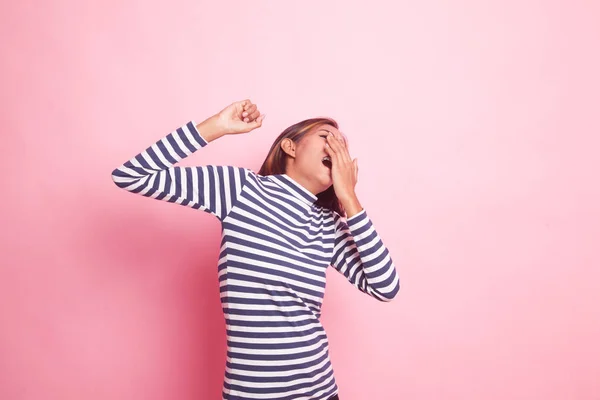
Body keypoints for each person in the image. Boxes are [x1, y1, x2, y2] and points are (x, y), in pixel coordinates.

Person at [111, 99, 400, 400]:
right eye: (328, 138)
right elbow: (131, 175)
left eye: (343, 145)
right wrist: (218, 126)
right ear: (290, 147)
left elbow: (386, 287)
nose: (338, 149)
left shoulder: (329, 225)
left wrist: (350, 199)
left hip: (319, 391)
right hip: (250, 393)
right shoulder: (240, 189)